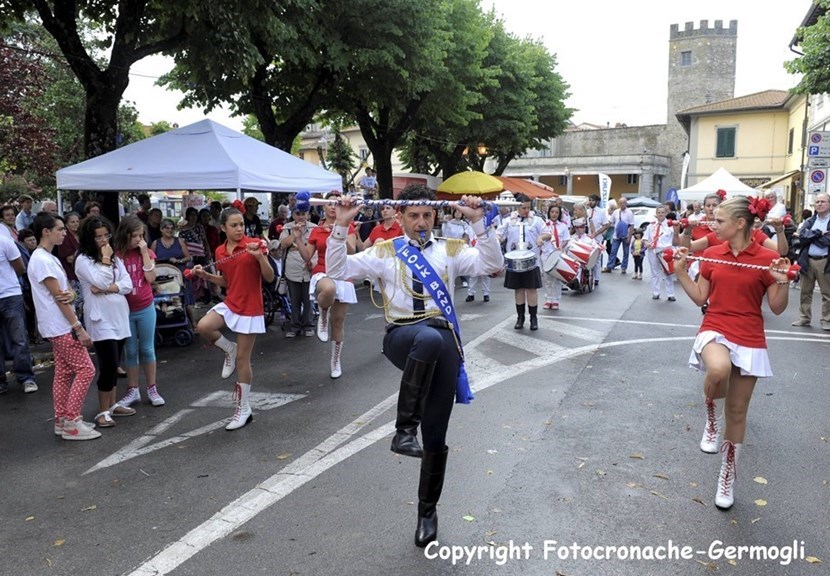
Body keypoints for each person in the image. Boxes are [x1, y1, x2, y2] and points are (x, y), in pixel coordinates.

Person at [325, 184, 503, 547]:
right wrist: (340, 226)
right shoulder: (385, 251)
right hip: (403, 337)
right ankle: (404, 429)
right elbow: (336, 269)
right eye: (413, 216)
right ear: (400, 218)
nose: (420, 222)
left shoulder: (451, 251)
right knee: (428, 338)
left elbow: (493, 265)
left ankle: (427, 512)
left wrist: (479, 224)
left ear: (435, 216)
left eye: (426, 215)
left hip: (442, 344)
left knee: (436, 436)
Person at [673, 196, 790, 509]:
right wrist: (681, 271)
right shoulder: (711, 253)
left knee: (738, 412)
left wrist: (782, 282)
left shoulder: (767, 257)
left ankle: (728, 474)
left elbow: (777, 308)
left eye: (720, 220)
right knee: (718, 369)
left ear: (741, 223)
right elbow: (700, 298)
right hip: (716, 326)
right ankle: (711, 416)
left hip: (750, 333)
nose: (713, 224)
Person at [192, 204, 274, 430]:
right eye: (234, 225)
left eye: (242, 225)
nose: (240, 229)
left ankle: (243, 409)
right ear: (223, 228)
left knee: (242, 361)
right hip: (231, 302)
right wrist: (206, 275)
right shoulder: (220, 251)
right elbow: (227, 282)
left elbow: (269, 277)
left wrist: (260, 258)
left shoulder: (254, 245)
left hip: (250, 307)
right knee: (203, 326)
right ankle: (229, 348)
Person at [28, 212, 100, 440]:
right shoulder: (42, 259)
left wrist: (68, 294)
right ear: (45, 231)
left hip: (56, 325)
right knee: (86, 369)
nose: (64, 233)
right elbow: (61, 297)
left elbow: (66, 290)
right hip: (60, 325)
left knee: (63, 373)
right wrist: (78, 327)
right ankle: (71, 420)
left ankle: (63, 420)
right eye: (60, 229)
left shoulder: (47, 257)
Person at [74, 216, 134, 428]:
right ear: (89, 239)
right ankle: (102, 411)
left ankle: (112, 405)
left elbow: (127, 284)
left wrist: (108, 288)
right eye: (98, 236)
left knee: (116, 361)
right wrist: (106, 260)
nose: (103, 240)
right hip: (100, 320)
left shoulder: (115, 258)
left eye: (106, 235)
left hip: (119, 315)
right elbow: (101, 280)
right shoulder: (84, 260)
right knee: (108, 365)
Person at [296, 191, 357, 379]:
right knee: (328, 288)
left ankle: (335, 361)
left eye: (336, 203)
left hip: (343, 274)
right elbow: (307, 256)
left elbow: (352, 250)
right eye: (329, 203)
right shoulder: (317, 230)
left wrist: (339, 232)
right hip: (323, 272)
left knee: (338, 322)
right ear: (323, 206)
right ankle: (322, 314)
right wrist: (298, 238)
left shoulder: (350, 225)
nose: (332, 206)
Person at [113, 215, 164, 410]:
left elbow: (150, 278)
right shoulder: (117, 255)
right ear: (125, 235)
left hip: (145, 306)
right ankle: (132, 389)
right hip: (125, 310)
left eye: (141, 235)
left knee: (147, 348)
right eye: (134, 236)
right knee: (131, 350)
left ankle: (152, 387)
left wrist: (144, 252)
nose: (138, 239)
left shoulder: (147, 252)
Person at [496, 194, 546, 330]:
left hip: (531, 260)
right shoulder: (508, 221)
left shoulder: (537, 220)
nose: (526, 210)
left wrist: (541, 237)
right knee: (518, 289)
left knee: (531, 289)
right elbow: (499, 235)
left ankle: (534, 318)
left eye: (528, 208)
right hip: (514, 261)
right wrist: (497, 239)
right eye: (523, 208)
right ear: (517, 207)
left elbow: (547, 233)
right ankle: (520, 317)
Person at [0, 233, 38, 395]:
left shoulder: (4, 241)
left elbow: (20, 267)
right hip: (10, 294)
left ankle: (26, 377)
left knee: (19, 338)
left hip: (10, 295)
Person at [278, 199, 317, 337]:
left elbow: (317, 248)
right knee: (294, 299)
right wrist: (294, 236)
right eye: (298, 213)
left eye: (303, 213)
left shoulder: (314, 227)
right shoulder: (287, 227)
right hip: (292, 268)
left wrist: (313, 263)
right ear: (293, 215)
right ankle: (294, 326)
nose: (301, 216)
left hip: (309, 267)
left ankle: (308, 325)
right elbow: (281, 245)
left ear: (308, 214)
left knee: (308, 299)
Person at [791, 192, 830, 330]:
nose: (819, 204)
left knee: (827, 293)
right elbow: (801, 237)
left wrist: (810, 235)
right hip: (807, 259)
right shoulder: (810, 221)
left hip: (824, 260)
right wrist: (819, 233)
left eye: (823, 202)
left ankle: (827, 320)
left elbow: (828, 241)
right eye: (817, 202)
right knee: (805, 291)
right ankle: (804, 318)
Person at [642, 206, 676, 301]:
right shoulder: (651, 225)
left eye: (662, 212)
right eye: (659, 212)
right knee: (655, 272)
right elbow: (645, 238)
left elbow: (674, 240)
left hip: (665, 251)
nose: (660, 214)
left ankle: (670, 294)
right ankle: (655, 292)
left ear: (665, 213)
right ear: (656, 214)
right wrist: (646, 243)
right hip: (653, 250)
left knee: (667, 272)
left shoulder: (670, 226)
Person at [541, 204, 569, 310]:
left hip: (558, 255)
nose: (554, 214)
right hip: (546, 254)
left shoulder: (563, 226)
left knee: (557, 278)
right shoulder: (544, 225)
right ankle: (548, 299)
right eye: (552, 212)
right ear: (549, 212)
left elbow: (566, 239)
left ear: (559, 214)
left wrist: (561, 246)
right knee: (547, 278)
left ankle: (556, 300)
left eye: (556, 212)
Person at [603, 197, 634, 273]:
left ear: (626, 203)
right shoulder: (616, 212)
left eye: (624, 203)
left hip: (626, 235)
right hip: (616, 235)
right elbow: (610, 222)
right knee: (613, 251)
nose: (622, 204)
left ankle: (624, 268)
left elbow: (632, 226)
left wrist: (629, 237)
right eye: (621, 203)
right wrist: (604, 229)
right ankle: (609, 267)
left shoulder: (629, 213)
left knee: (626, 252)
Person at [587, 195, 610, 286]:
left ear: (597, 201)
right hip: (588, 237)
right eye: (590, 200)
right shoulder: (587, 211)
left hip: (597, 237)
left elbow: (606, 224)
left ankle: (596, 277)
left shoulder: (601, 212)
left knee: (597, 258)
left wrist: (596, 233)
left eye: (592, 200)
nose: (591, 202)